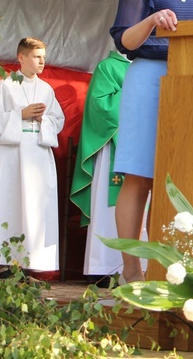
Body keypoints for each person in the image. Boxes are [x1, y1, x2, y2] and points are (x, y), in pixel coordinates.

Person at [110, 0, 193, 283]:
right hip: (148, 80)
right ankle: (130, 267)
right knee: (140, 175)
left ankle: (159, 266)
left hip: (186, 84)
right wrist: (151, 19)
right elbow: (124, 42)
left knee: (172, 176)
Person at [0, 37, 65, 274]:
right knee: (9, 203)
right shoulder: (5, 87)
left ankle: (29, 265)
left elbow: (58, 121)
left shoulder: (46, 89)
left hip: (38, 152)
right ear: (21, 58)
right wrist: (20, 115)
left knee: (35, 208)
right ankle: (3, 264)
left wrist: (42, 119)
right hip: (12, 155)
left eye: (44, 58)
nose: (41, 62)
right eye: (37, 57)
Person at [70, 51, 144, 284]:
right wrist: (138, 93)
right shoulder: (108, 67)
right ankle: (103, 268)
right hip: (114, 146)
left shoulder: (146, 67)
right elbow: (101, 106)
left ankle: (139, 267)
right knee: (107, 208)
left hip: (141, 146)